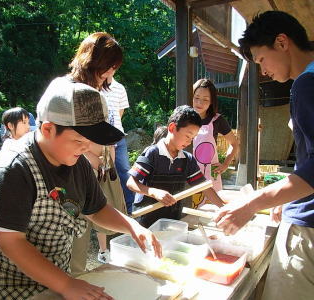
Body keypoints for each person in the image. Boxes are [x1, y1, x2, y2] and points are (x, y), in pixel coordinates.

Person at [0, 77, 162, 299]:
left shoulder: (78, 162)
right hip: (12, 289)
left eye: (91, 141)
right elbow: (11, 242)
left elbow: (96, 209)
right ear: (48, 129)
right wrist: (66, 284)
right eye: (79, 140)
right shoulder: (13, 168)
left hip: (56, 280)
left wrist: (133, 227)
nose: (87, 147)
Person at [214, 11, 314, 300]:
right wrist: (287, 195)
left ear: (282, 42)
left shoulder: (306, 85)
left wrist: (250, 205)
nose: (263, 71)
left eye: (261, 60)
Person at [68, 32, 128, 267]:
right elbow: (71, 143)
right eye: (110, 67)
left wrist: (104, 157)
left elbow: (105, 142)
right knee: (72, 241)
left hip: (89, 174)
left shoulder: (98, 93)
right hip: (68, 179)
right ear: (94, 63)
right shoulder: (68, 91)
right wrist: (94, 155)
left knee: (81, 241)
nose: (111, 73)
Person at [127, 105, 225, 228]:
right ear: (172, 127)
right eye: (187, 136)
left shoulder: (187, 160)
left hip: (171, 220)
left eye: (193, 138)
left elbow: (204, 187)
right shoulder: (152, 153)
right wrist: (153, 192)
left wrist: (223, 209)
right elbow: (131, 183)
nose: (189, 142)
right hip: (145, 220)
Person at [192, 78, 239, 207]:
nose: (200, 102)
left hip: (210, 175)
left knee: (212, 210)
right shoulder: (185, 118)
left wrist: (225, 164)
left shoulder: (217, 120)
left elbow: (234, 144)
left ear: (212, 101)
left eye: (205, 99)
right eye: (196, 97)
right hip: (189, 174)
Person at [101, 74, 135, 215]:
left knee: (125, 173)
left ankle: (130, 210)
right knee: (105, 176)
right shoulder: (94, 86)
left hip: (117, 137)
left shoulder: (120, 88)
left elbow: (119, 113)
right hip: (100, 138)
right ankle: (106, 211)